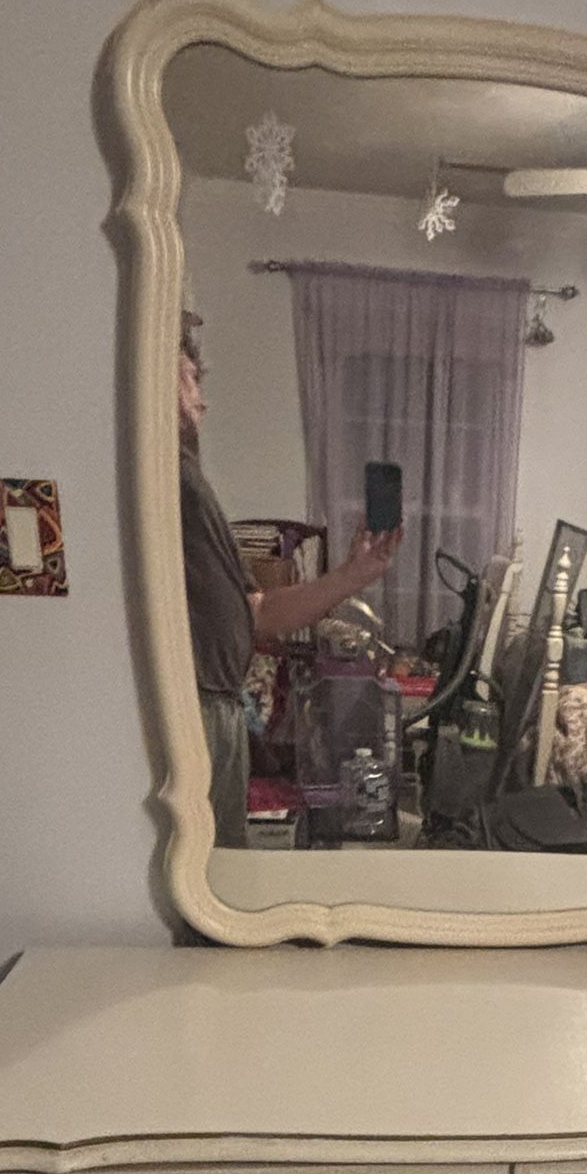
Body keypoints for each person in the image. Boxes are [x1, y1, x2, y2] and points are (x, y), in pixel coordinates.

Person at [178, 315, 401, 847]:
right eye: (188, 379)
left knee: (222, 863)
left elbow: (259, 612)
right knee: (208, 875)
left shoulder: (192, 485)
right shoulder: (168, 482)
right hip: (199, 710)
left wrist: (354, 574)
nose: (201, 399)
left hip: (222, 709)